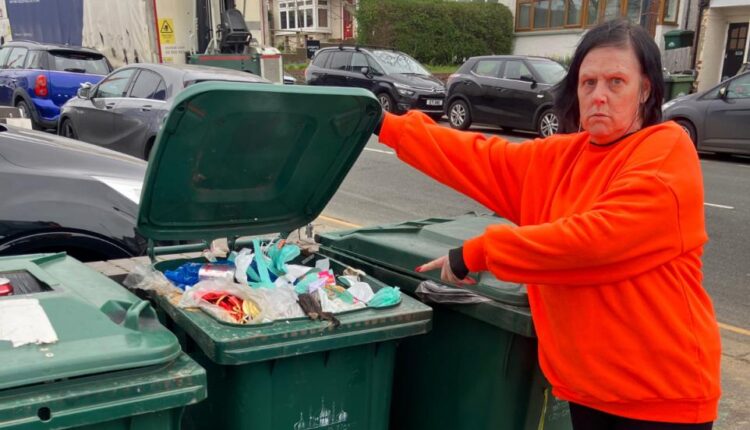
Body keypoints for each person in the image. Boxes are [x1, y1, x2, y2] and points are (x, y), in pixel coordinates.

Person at [375, 19, 721, 430]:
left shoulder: (665, 150)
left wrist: (479, 252)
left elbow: (595, 243)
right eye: (588, 83)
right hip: (587, 389)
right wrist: (385, 125)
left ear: (644, 90)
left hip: (661, 397)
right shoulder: (562, 158)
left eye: (616, 82)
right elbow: (481, 157)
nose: (599, 96)